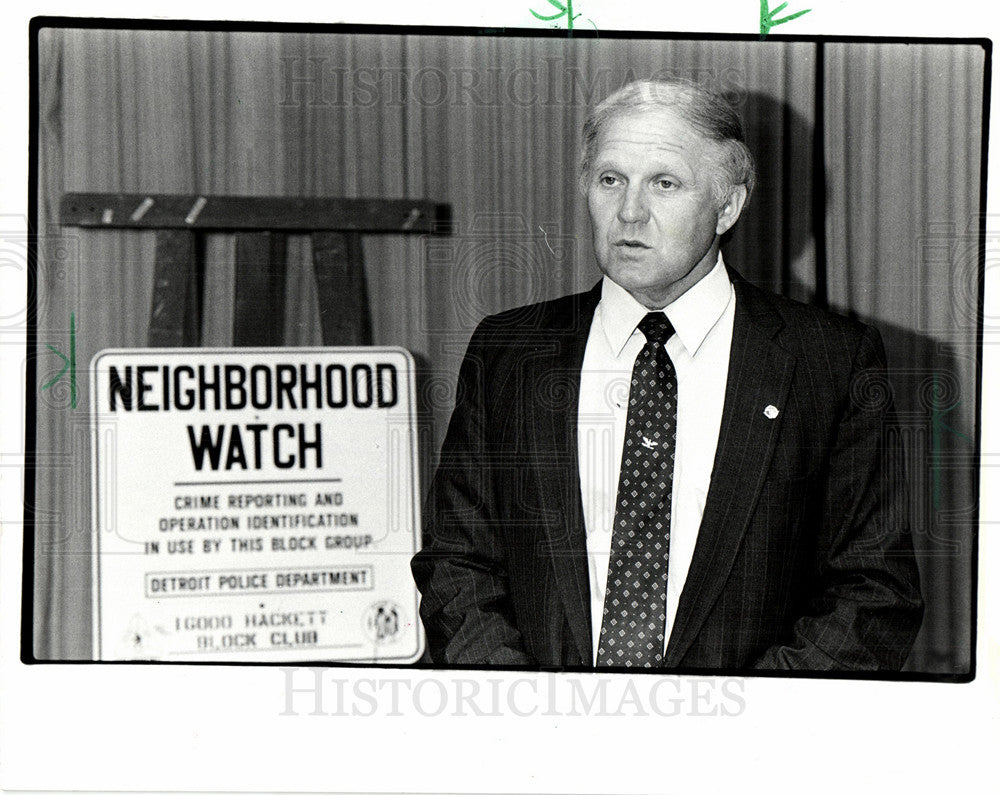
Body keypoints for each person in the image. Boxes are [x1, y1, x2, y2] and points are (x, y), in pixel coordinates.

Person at [410, 79, 923, 671]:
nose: (630, 211)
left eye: (664, 183)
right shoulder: (510, 353)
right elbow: (457, 564)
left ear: (727, 205)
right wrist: (531, 711)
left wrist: (743, 728)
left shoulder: (830, 362)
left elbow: (873, 591)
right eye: (611, 180)